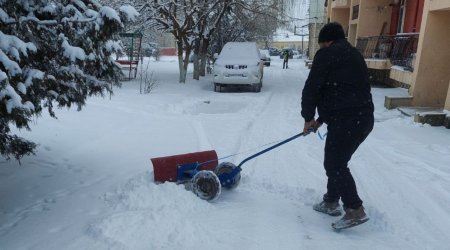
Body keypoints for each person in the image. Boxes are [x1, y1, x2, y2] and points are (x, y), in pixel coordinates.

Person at [300, 22, 374, 230]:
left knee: (335, 163)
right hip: (364, 119)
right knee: (337, 160)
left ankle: (354, 210)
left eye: (322, 44)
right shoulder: (354, 55)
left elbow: (312, 88)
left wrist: (308, 119)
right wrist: (320, 119)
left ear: (327, 41)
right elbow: (342, 92)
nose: (321, 47)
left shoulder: (327, 55)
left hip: (346, 120)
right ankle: (331, 201)